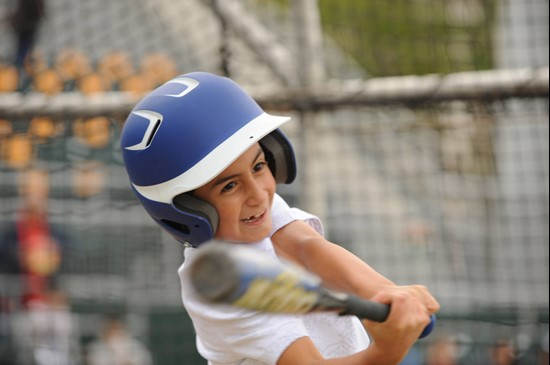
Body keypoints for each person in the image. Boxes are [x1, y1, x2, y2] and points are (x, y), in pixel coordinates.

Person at [120, 71, 440, 364]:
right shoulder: (216, 285)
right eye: (229, 186)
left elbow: (305, 247)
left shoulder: (252, 217)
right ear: (185, 210)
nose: (258, 194)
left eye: (259, 167)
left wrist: (386, 292)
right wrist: (386, 351)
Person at [86, 316, 153, 365]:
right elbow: (94, 361)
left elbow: (144, 359)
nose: (116, 332)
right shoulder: (97, 346)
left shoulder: (134, 344)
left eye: (117, 328)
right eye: (112, 328)